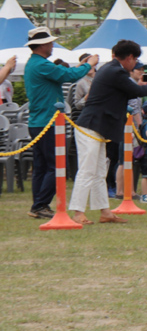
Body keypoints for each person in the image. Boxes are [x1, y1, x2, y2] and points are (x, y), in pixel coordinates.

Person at [69, 40, 147, 224]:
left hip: (98, 127)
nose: (135, 65)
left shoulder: (110, 69)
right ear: (130, 57)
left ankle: (105, 212)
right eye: (135, 60)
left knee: (100, 170)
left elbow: (129, 91)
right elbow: (135, 90)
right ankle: (78, 212)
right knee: (87, 170)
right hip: (91, 126)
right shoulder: (115, 71)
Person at [23, 28, 93, 219]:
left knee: (41, 166)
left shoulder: (35, 64)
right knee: (56, 165)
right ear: (43, 45)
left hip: (38, 121)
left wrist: (80, 65)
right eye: (51, 43)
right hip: (49, 122)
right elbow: (68, 76)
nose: (53, 45)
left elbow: (63, 72)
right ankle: (40, 205)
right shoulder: (42, 65)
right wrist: (88, 66)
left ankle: (38, 204)